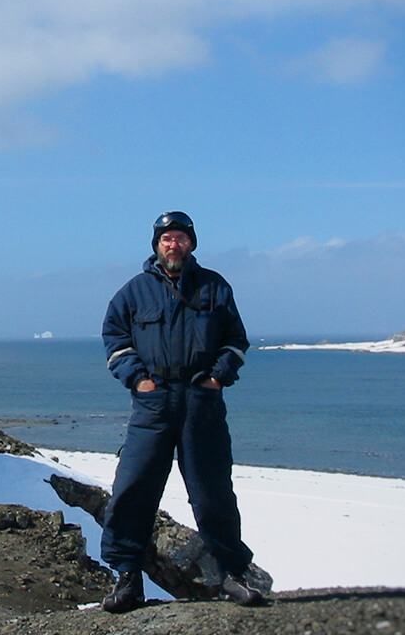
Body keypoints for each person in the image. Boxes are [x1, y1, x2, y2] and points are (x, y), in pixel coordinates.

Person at [98, 210, 264, 613]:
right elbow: (114, 340)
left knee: (212, 493)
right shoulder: (133, 292)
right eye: (166, 239)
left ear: (192, 244)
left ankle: (232, 574)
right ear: (157, 245)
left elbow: (236, 341)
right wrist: (139, 381)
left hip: (200, 402)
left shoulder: (215, 287)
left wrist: (217, 378)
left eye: (181, 238)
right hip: (153, 404)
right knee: (133, 489)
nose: (174, 245)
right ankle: (127, 578)